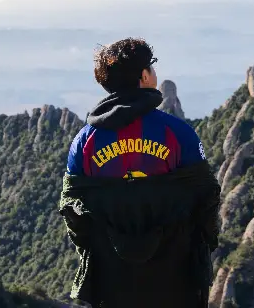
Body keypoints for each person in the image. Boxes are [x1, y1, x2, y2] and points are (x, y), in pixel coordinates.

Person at [59, 38, 221, 308]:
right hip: (176, 279)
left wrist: (100, 248)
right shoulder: (178, 135)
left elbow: (72, 211)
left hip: (111, 281)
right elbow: (207, 200)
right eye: (151, 68)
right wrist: (205, 248)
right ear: (144, 76)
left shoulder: (85, 143)